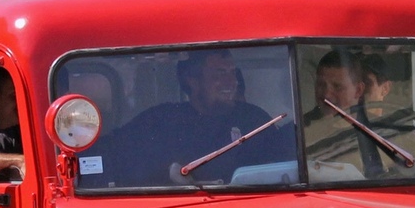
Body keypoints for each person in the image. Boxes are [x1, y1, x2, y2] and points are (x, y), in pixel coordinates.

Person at [96, 49, 293, 187]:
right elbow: (114, 152)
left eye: (232, 72)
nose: (231, 82)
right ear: (193, 80)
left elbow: (282, 167)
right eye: (219, 73)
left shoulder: (254, 119)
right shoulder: (160, 122)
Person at [302, 50, 415, 179]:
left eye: (337, 87)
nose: (327, 94)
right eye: (321, 85)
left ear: (358, 90)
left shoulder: (384, 129)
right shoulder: (299, 130)